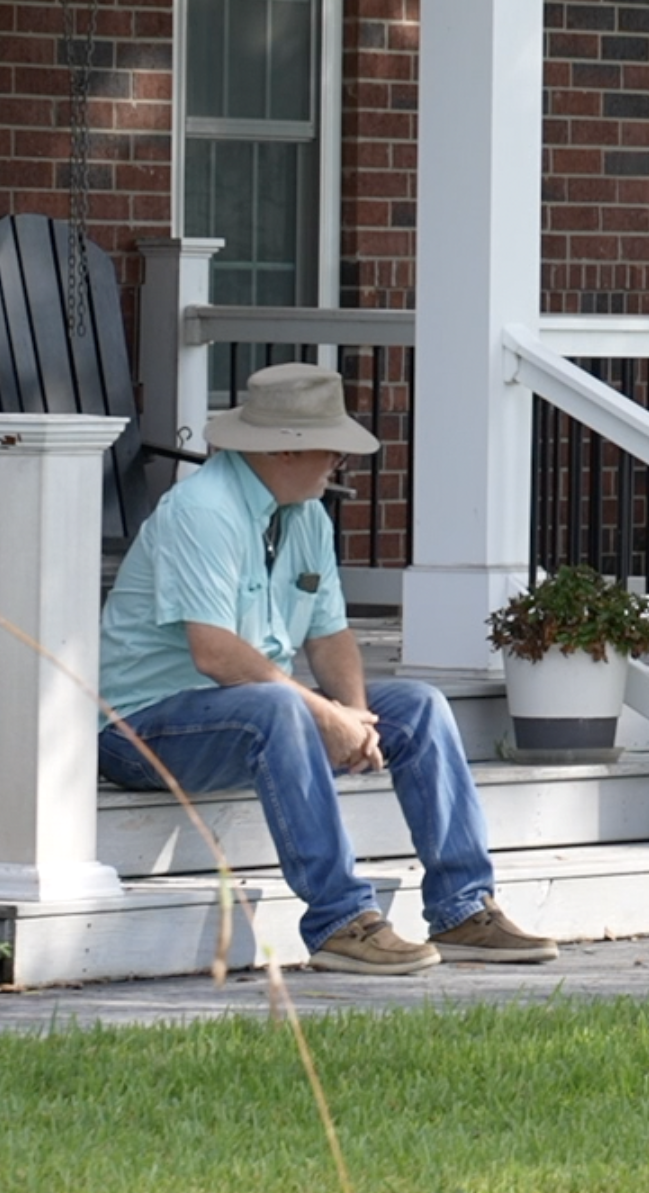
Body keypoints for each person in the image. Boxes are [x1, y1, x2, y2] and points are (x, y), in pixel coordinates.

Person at [98, 362, 558, 975]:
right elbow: (215, 653)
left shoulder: (306, 514)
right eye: (334, 449)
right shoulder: (203, 510)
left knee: (419, 706)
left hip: (245, 714)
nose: (341, 463)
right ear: (287, 449)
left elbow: (330, 633)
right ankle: (341, 922)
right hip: (140, 730)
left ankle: (462, 908)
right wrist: (323, 714)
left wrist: (355, 715)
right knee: (280, 707)